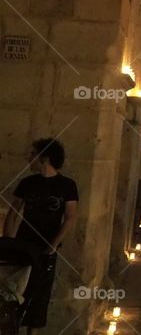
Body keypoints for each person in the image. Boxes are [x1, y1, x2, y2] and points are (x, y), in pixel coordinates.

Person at [3, 138, 79, 333]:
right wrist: (9, 242)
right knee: (15, 293)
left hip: (45, 248)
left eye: (32, 154)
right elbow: (13, 213)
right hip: (23, 244)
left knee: (39, 296)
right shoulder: (27, 183)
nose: (28, 158)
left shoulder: (67, 185)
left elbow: (70, 217)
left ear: (44, 158)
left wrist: (53, 245)